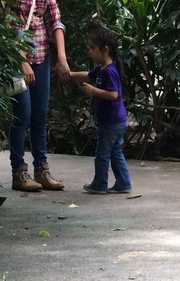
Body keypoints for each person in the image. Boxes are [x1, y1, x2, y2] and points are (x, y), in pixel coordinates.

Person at [10, 0, 71, 192]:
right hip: (16, 59)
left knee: (40, 116)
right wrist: (20, 59)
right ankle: (18, 172)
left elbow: (55, 22)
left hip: (41, 57)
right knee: (22, 114)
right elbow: (5, 25)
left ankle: (41, 170)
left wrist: (62, 57)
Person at [68, 27, 131, 195]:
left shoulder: (110, 72)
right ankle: (123, 182)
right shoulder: (101, 69)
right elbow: (88, 75)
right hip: (115, 122)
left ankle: (100, 183)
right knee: (115, 152)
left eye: (92, 48)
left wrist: (94, 91)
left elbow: (113, 95)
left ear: (105, 50)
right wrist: (70, 74)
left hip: (111, 123)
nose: (89, 52)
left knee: (102, 154)